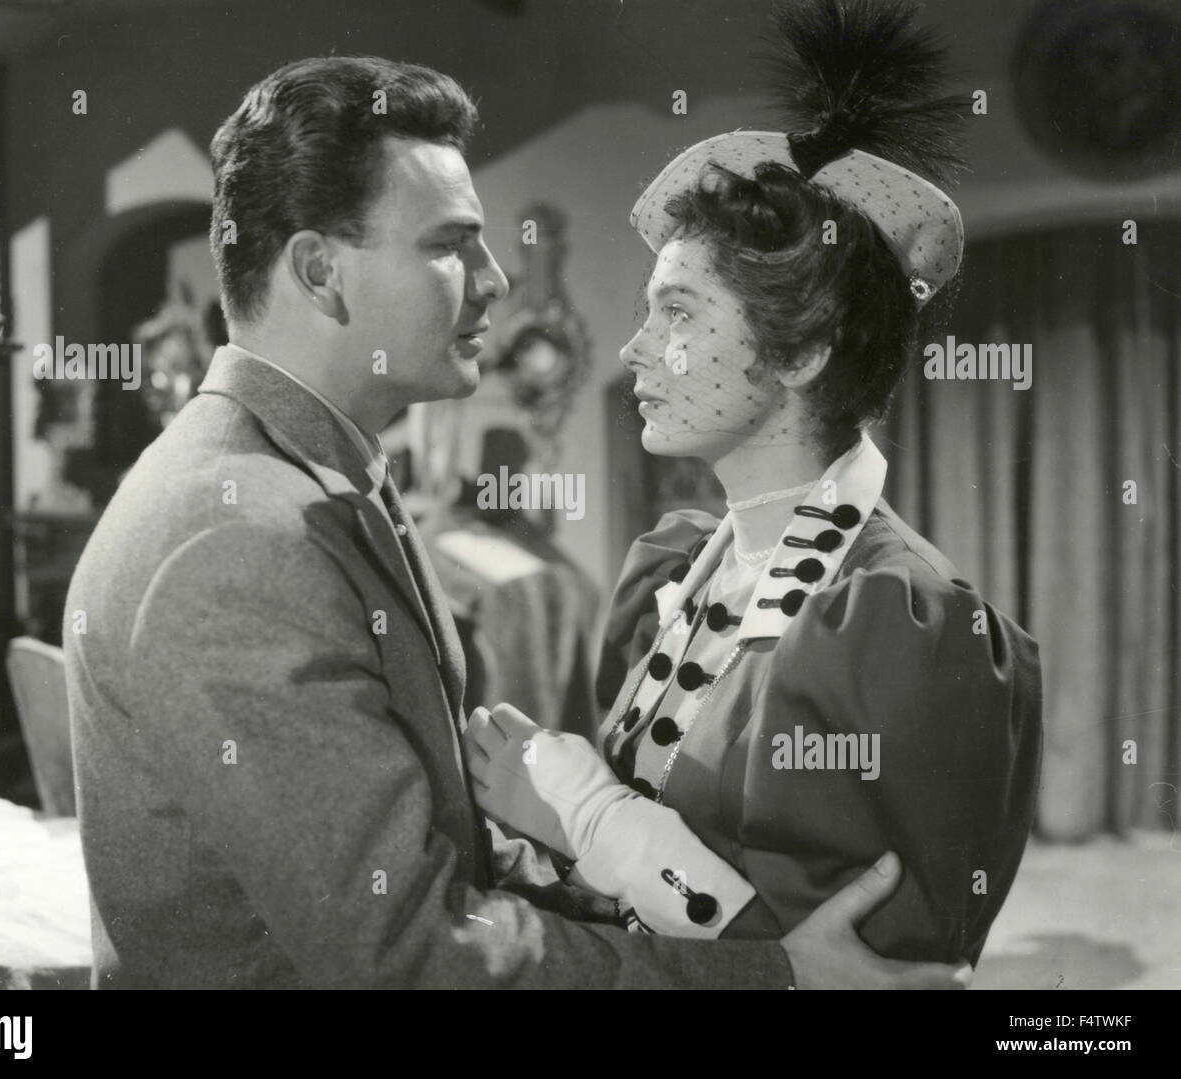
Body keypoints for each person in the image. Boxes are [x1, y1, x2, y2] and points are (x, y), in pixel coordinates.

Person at [64, 53, 970, 988]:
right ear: (320, 271)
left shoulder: (317, 477)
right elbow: (410, 953)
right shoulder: (243, 537)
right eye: (450, 244)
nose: (494, 279)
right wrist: (773, 976)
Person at [466, 0, 1042, 961]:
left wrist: (586, 811)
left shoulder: (905, 624)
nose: (635, 349)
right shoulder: (678, 567)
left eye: (679, 313)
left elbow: (851, 970)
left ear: (807, 348)